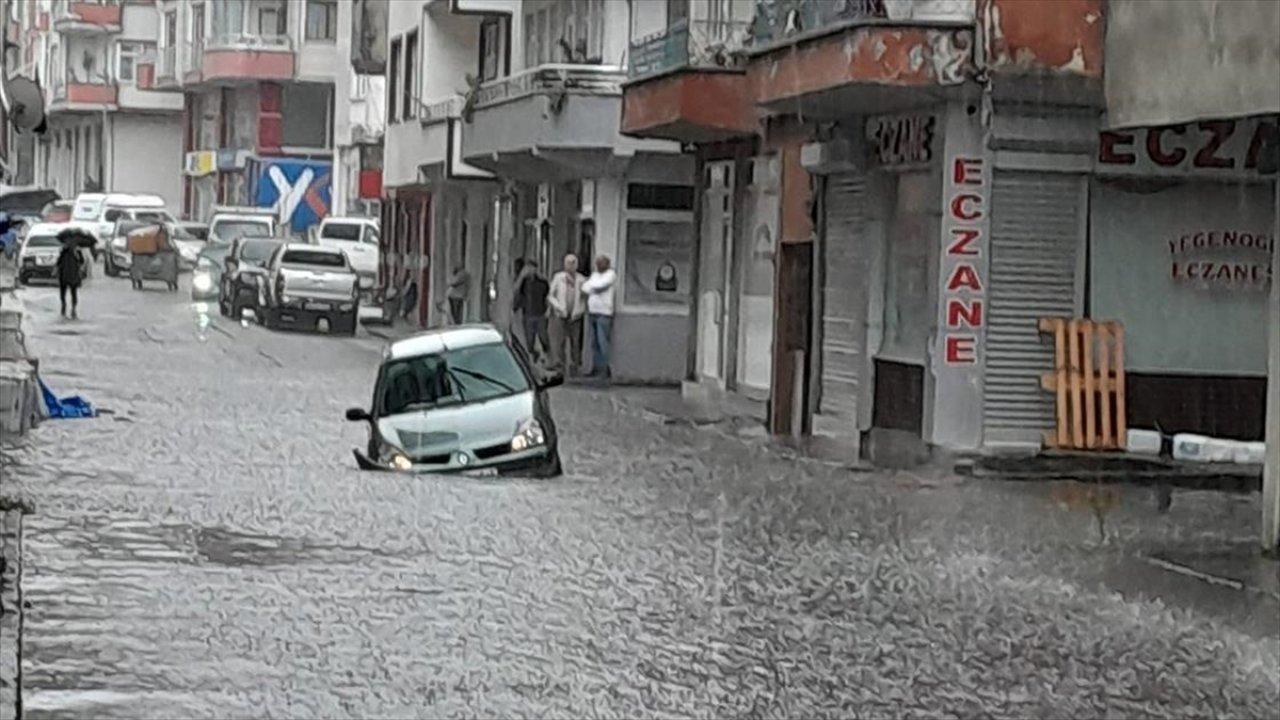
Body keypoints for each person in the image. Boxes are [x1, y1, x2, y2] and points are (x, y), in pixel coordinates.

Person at [547, 253, 586, 375]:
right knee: (560, 341)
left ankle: (575, 366)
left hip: (575, 316)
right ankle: (560, 366)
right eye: (568, 263)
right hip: (561, 314)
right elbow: (550, 295)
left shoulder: (581, 279)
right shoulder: (558, 278)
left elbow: (584, 298)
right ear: (564, 264)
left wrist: (580, 311)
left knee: (575, 342)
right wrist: (557, 307)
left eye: (573, 263)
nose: (571, 266)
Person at [581, 254, 617, 381]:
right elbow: (584, 288)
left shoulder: (611, 274)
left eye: (600, 263)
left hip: (604, 313)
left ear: (606, 264)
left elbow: (600, 286)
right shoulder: (595, 275)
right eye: (597, 263)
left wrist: (592, 288)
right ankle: (595, 368)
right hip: (593, 312)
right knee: (594, 343)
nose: (598, 265)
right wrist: (592, 288)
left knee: (603, 343)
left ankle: (605, 369)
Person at [513, 259, 550, 359]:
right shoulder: (523, 283)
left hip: (540, 313)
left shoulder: (542, 283)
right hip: (528, 314)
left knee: (544, 337)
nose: (530, 271)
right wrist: (521, 276)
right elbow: (516, 291)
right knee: (529, 339)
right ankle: (534, 354)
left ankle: (546, 356)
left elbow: (547, 296)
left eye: (533, 268)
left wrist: (548, 310)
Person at [56, 240, 84, 319]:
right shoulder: (64, 251)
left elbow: (82, 261)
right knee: (63, 292)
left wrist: (77, 254)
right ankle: (64, 306)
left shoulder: (77, 251)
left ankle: (73, 309)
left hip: (73, 274)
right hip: (64, 274)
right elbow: (59, 262)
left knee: (73, 292)